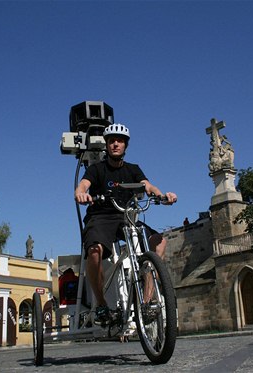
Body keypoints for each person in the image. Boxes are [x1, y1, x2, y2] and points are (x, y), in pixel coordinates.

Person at [74, 123, 177, 324]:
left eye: (119, 141)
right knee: (94, 251)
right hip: (100, 217)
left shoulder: (133, 169)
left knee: (159, 242)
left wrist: (162, 195)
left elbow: (148, 186)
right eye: (112, 141)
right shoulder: (97, 169)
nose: (115, 144)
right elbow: (84, 184)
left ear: (125, 146)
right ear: (107, 145)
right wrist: (80, 193)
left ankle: (147, 303)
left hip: (126, 216)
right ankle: (102, 306)